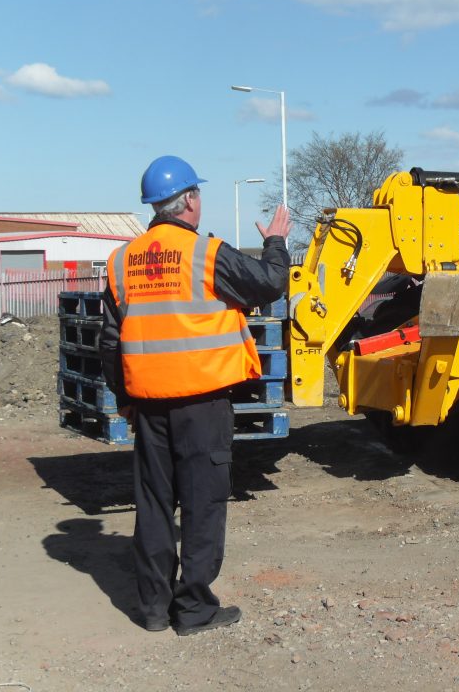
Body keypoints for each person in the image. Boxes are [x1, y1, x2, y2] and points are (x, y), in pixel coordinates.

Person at [100, 155, 290, 636]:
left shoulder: (122, 261)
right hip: (202, 404)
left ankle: (153, 609)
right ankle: (194, 611)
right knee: (203, 505)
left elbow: (110, 339)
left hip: (148, 406)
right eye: (198, 193)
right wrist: (275, 242)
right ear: (188, 200)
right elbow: (270, 283)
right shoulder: (206, 254)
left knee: (154, 505)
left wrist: (125, 397)